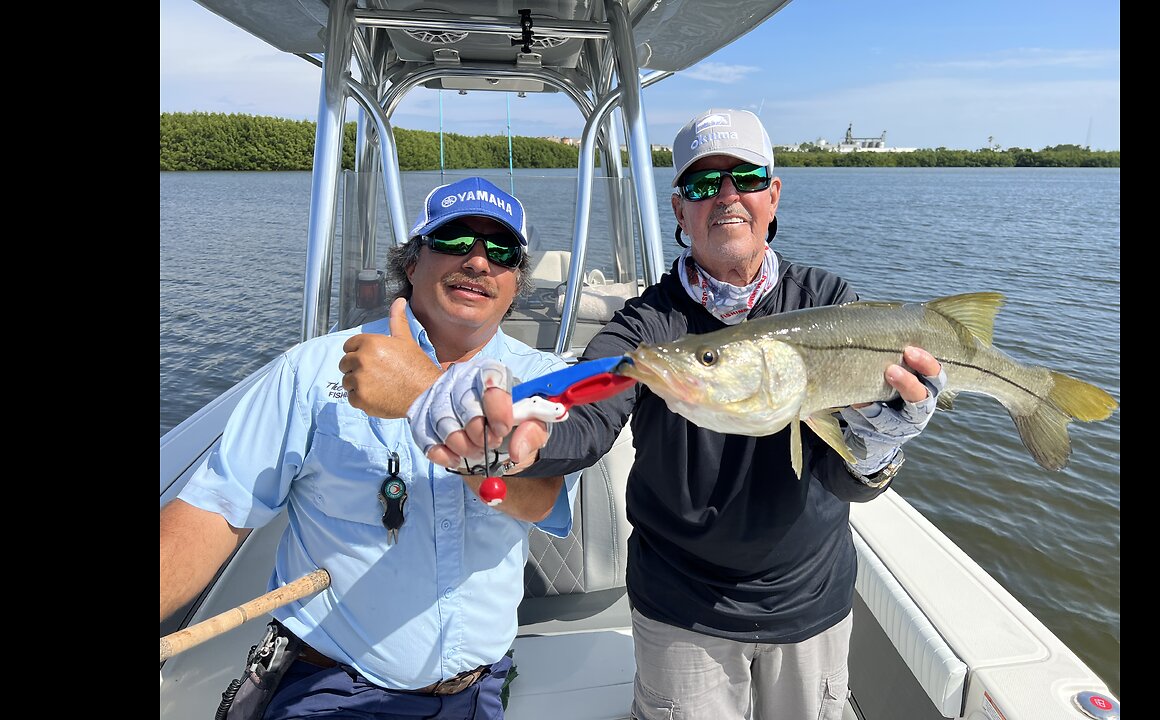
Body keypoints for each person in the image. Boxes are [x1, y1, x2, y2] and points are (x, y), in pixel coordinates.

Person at [341, 110, 946, 720]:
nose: (727, 197)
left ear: (773, 194)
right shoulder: (646, 328)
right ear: (679, 210)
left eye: (746, 177)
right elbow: (582, 420)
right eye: (703, 185)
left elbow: (846, 479)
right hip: (682, 609)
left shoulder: (829, 305)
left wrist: (879, 444)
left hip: (811, 601)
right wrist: (515, 437)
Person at [159, 176, 580, 720]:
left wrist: (424, 397)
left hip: (477, 690)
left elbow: (537, 496)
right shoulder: (311, 371)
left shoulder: (544, 380)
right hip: (331, 685)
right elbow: (216, 511)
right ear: (411, 263)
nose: (478, 262)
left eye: (501, 251)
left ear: (515, 283)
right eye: (454, 241)